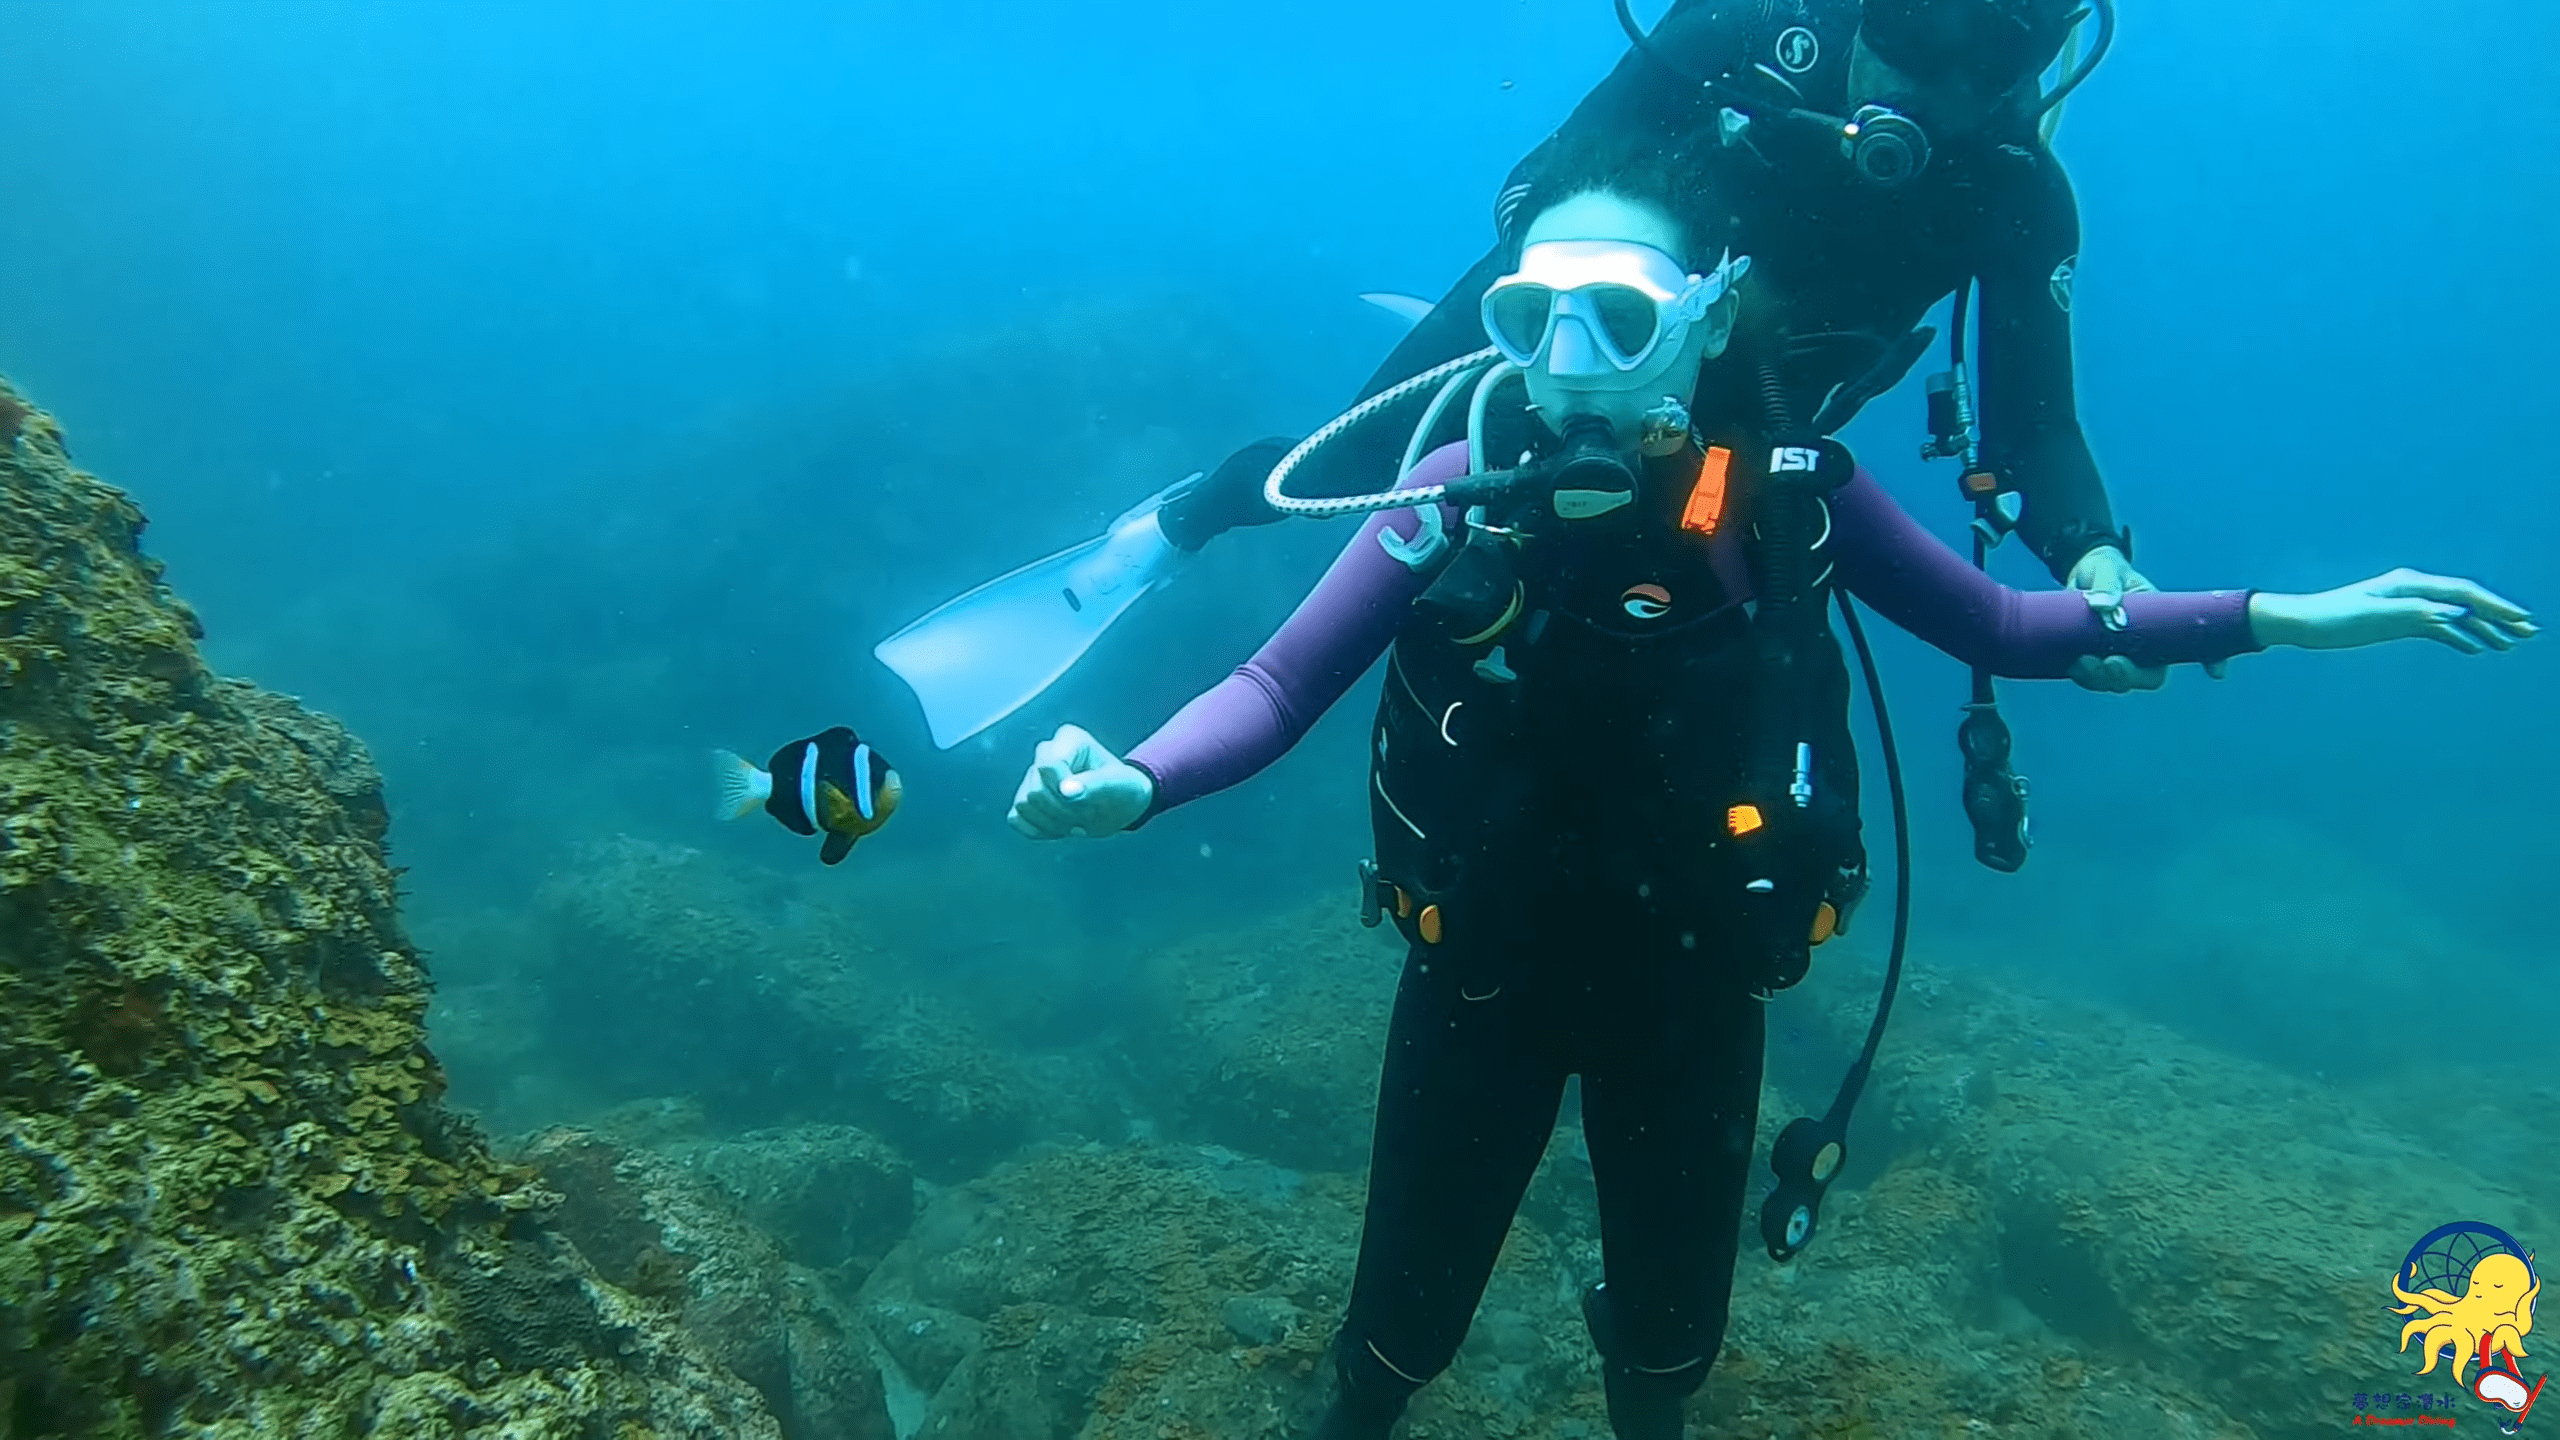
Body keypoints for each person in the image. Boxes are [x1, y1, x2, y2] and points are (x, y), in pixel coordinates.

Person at [1001, 129, 2533, 1439]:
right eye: (1531, 319)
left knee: (1667, 1352)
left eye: (1613, 316)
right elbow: (1278, 687)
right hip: (1480, 983)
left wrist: (2283, 618)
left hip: (1694, 995)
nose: (1566, 366)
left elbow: (2006, 623)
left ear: (1706, 314)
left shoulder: (1795, 503)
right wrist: (1132, 780)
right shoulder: (1448, 489)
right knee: (1395, 1334)